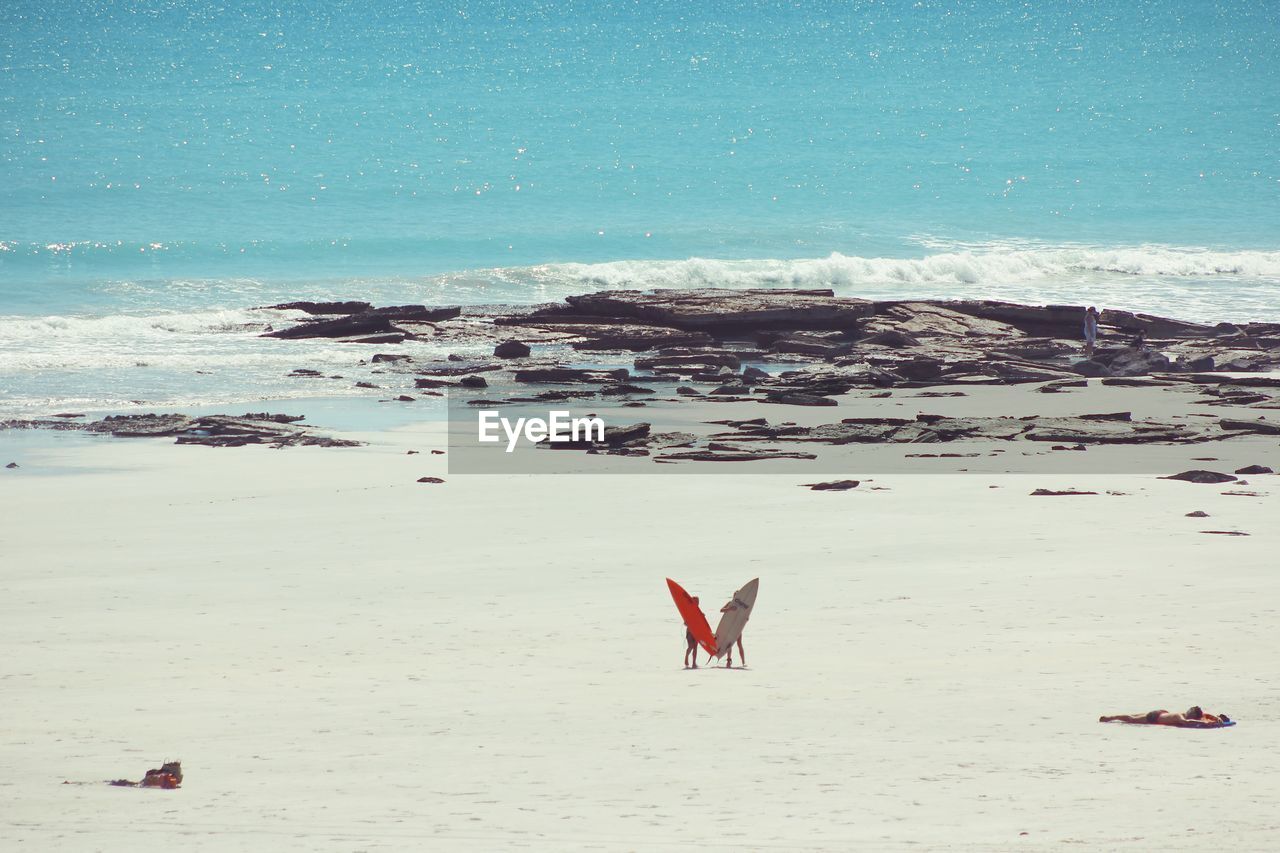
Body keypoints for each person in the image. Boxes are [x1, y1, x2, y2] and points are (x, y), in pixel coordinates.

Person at [1099, 706, 1230, 728]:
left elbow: (1205, 715)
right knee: (1132, 719)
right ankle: (1109, 718)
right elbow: (1186, 722)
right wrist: (1206, 724)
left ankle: (1109, 717)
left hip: (1162, 712)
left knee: (1133, 717)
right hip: (1155, 717)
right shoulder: (1181, 716)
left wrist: (1216, 718)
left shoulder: (1189, 714)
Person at [719, 598, 747, 668]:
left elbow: (745, 615)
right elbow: (721, 610)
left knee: (739, 644)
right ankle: (728, 660)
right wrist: (729, 609)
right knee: (729, 644)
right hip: (729, 627)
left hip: (737, 627)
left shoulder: (743, 606)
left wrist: (746, 619)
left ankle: (743, 662)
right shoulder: (729, 603)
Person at [683, 597, 701, 669]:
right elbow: (685, 623)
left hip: (697, 632)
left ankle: (694, 662)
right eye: (695, 601)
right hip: (690, 632)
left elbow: (701, 622)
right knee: (691, 646)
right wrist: (689, 624)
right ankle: (686, 656)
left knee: (695, 647)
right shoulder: (689, 611)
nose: (697, 603)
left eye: (697, 601)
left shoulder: (699, 611)